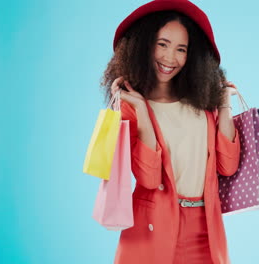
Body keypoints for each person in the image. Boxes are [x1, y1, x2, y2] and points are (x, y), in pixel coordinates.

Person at [100, 1, 241, 263]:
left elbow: (228, 166)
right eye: (162, 44)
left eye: (181, 49)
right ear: (144, 45)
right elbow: (149, 178)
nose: (169, 58)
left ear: (192, 56)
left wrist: (224, 103)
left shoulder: (203, 104)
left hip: (205, 232)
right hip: (151, 231)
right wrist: (142, 110)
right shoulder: (130, 110)